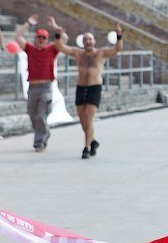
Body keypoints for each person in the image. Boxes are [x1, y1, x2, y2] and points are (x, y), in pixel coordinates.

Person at [51, 20, 124, 159]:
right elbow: (60, 46)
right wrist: (57, 32)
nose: (88, 41)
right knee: (83, 120)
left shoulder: (101, 53)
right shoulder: (78, 53)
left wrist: (119, 36)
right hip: (81, 87)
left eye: (90, 39)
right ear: (82, 42)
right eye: (85, 39)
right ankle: (94, 141)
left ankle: (86, 147)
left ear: (94, 41)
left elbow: (117, 49)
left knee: (89, 118)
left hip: (94, 87)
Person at [13, 15, 60, 152]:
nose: (41, 40)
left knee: (41, 115)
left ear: (46, 40)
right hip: (33, 87)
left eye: (43, 38)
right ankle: (43, 133)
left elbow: (63, 40)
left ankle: (40, 141)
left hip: (45, 87)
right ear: (36, 38)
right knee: (32, 114)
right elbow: (18, 36)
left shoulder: (52, 50)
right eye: (39, 37)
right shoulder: (30, 49)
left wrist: (55, 27)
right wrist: (28, 23)